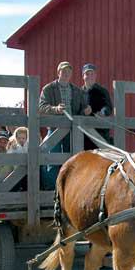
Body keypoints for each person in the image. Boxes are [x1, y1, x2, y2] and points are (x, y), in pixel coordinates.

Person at [39, 61, 91, 189]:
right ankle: (51, 191)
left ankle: (70, 189)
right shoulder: (48, 89)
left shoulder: (76, 90)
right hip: (55, 128)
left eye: (69, 71)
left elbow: (81, 109)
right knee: (52, 160)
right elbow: (41, 107)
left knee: (72, 160)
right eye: (64, 71)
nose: (66, 73)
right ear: (58, 73)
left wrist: (86, 110)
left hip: (72, 130)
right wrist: (55, 109)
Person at [81, 63, 113, 149]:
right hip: (83, 134)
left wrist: (102, 112)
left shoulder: (102, 91)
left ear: (95, 76)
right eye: (87, 74)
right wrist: (83, 111)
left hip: (100, 132)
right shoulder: (79, 92)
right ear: (83, 76)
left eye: (92, 74)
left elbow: (108, 107)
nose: (90, 76)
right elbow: (75, 109)